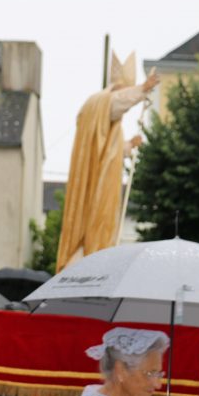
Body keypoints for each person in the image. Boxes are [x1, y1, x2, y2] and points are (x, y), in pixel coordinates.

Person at [56, 51, 160, 271]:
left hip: (98, 173)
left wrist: (129, 145)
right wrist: (142, 89)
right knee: (98, 221)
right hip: (97, 183)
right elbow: (117, 104)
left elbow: (108, 150)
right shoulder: (99, 103)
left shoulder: (106, 120)